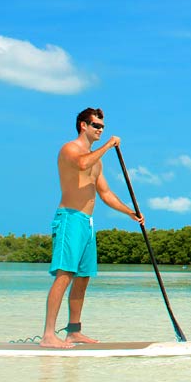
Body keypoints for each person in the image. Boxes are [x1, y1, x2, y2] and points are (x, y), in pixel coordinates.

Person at [41, 108, 143, 348]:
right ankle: (48, 335)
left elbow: (106, 193)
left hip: (87, 222)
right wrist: (108, 146)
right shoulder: (70, 150)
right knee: (64, 274)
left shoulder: (96, 162)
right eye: (96, 125)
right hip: (69, 218)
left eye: (103, 127)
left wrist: (131, 213)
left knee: (83, 277)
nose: (100, 129)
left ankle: (74, 331)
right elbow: (81, 163)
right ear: (83, 126)